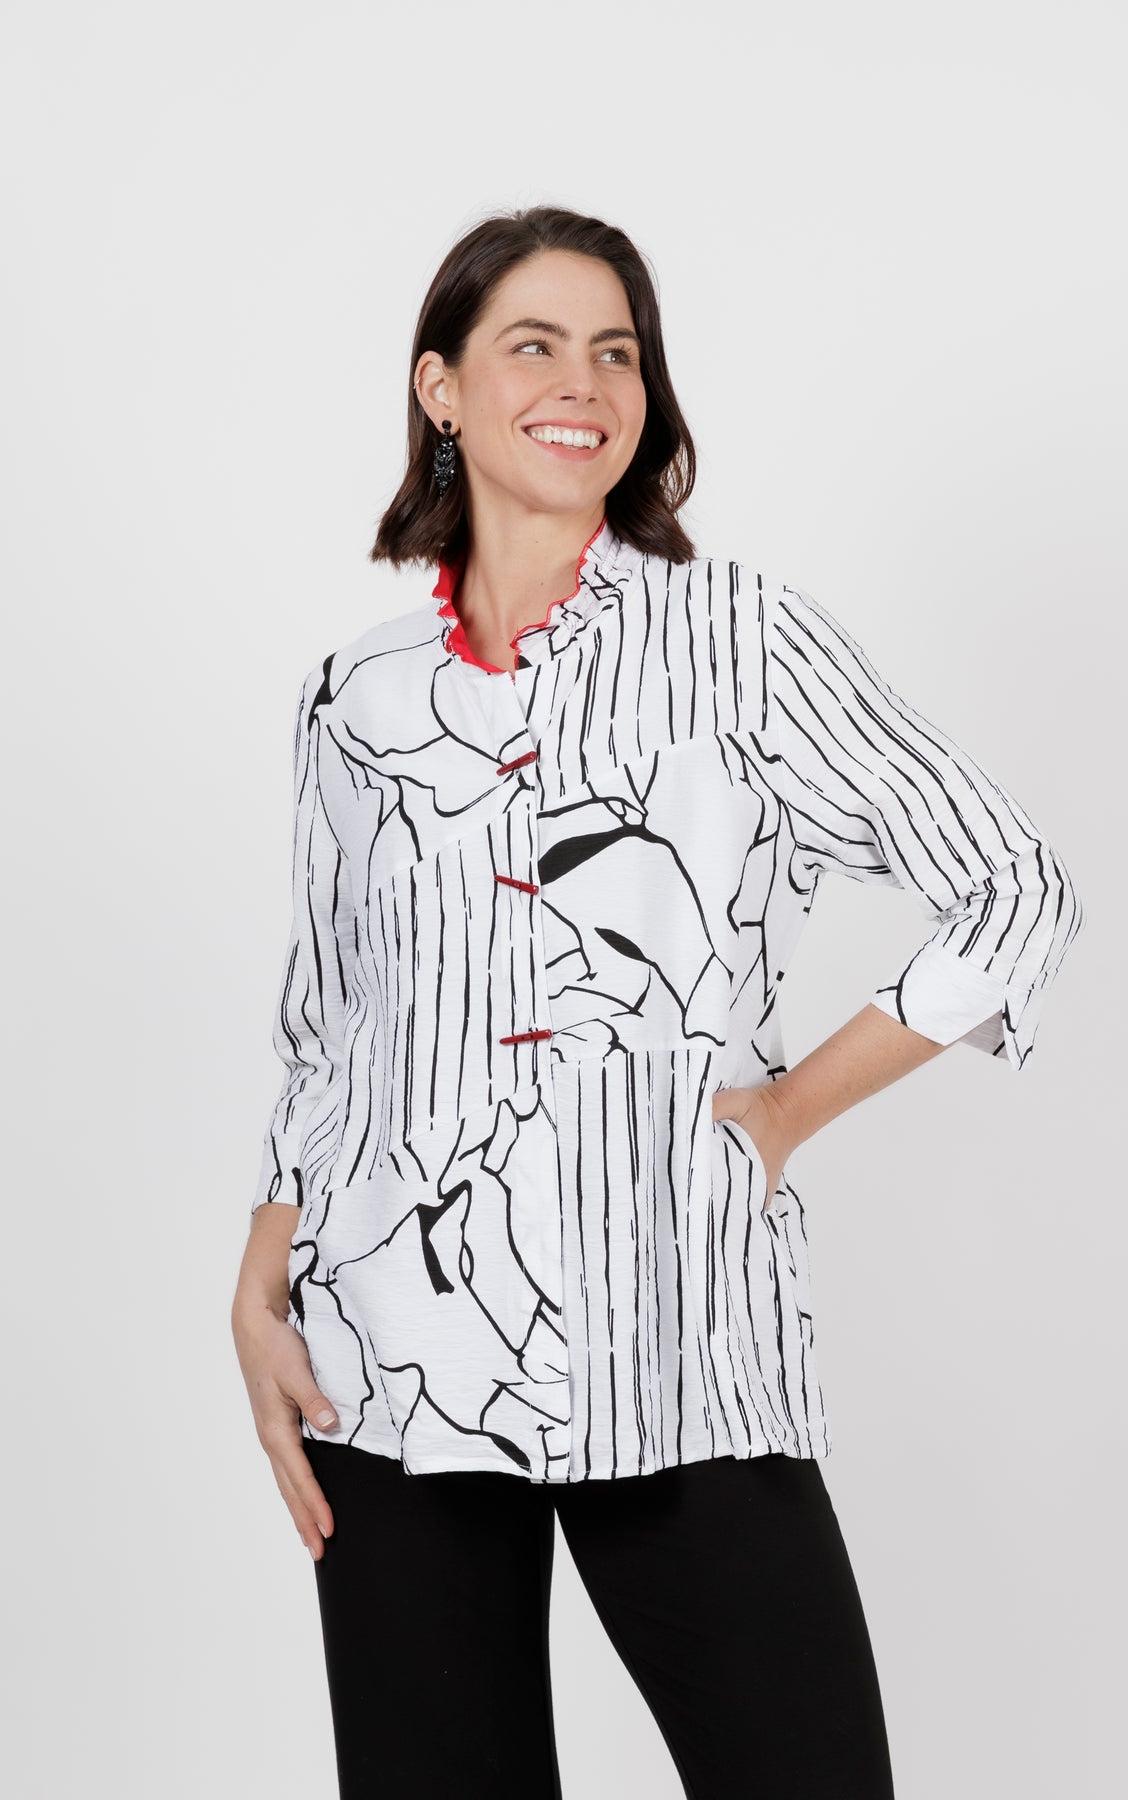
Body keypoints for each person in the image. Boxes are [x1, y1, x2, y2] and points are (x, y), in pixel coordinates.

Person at [230, 205, 1085, 1799]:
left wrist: (786, 1112)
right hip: (390, 1357)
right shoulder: (357, 697)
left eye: (616, 351)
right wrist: (257, 1289)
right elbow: (329, 1015)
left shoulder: (740, 640)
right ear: (440, 387)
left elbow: (1015, 888)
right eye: (533, 345)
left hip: (677, 1339)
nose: (584, 382)